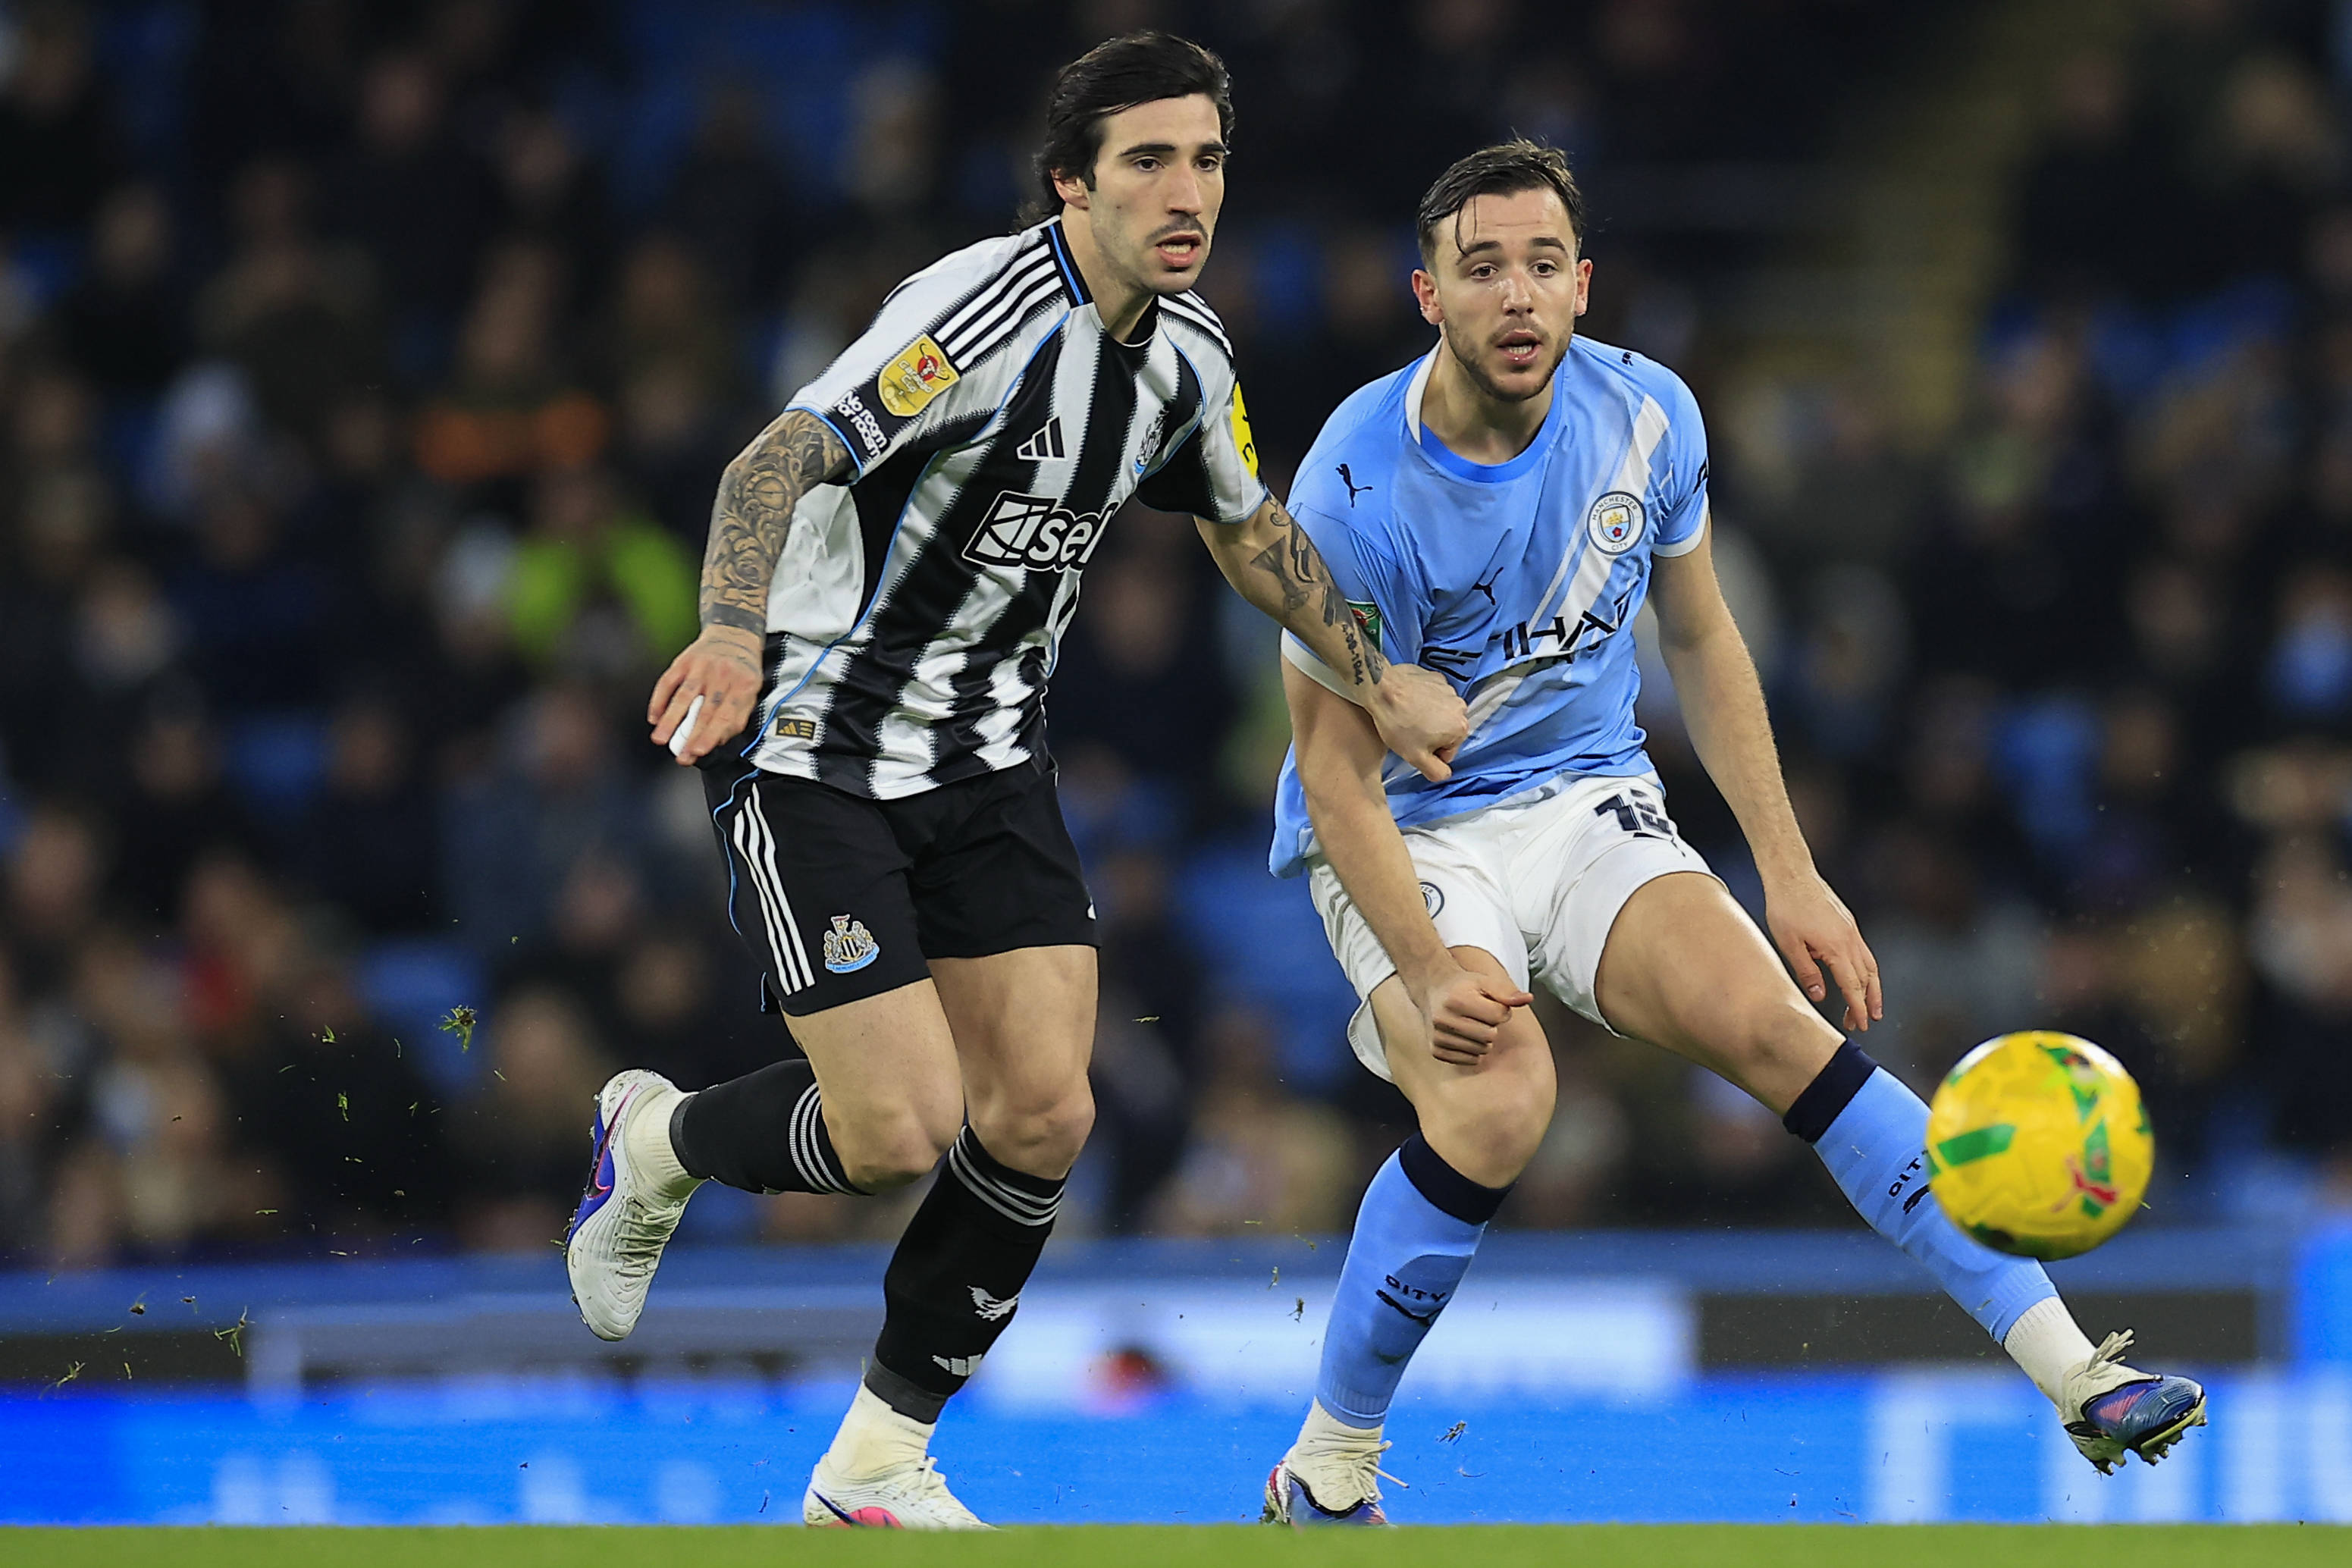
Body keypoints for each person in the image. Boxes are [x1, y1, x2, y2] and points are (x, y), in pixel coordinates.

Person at [560, 33, 1468, 1531]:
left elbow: (1247, 534)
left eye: (1211, 160)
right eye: (1151, 162)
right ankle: (653, 1140)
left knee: (1045, 1111)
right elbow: (773, 462)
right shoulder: (974, 315)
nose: (1190, 193)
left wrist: (1377, 676)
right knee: (898, 1130)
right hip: (816, 750)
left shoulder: (1192, 359)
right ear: (1072, 185)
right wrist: (728, 628)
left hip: (987, 763)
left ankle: (873, 1463)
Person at [1258, 141, 2208, 1526]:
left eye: (1540, 265)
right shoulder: (1355, 481)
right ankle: (1329, 1464)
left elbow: (1700, 639)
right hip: (1410, 832)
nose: (1515, 295)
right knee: (1501, 1097)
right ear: (1428, 298)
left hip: (1585, 800)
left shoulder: (1650, 417)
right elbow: (1333, 776)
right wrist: (1420, 957)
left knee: (1786, 1034)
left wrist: (1792, 872)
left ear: (1581, 285)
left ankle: (2078, 1376)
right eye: (1481, 269)